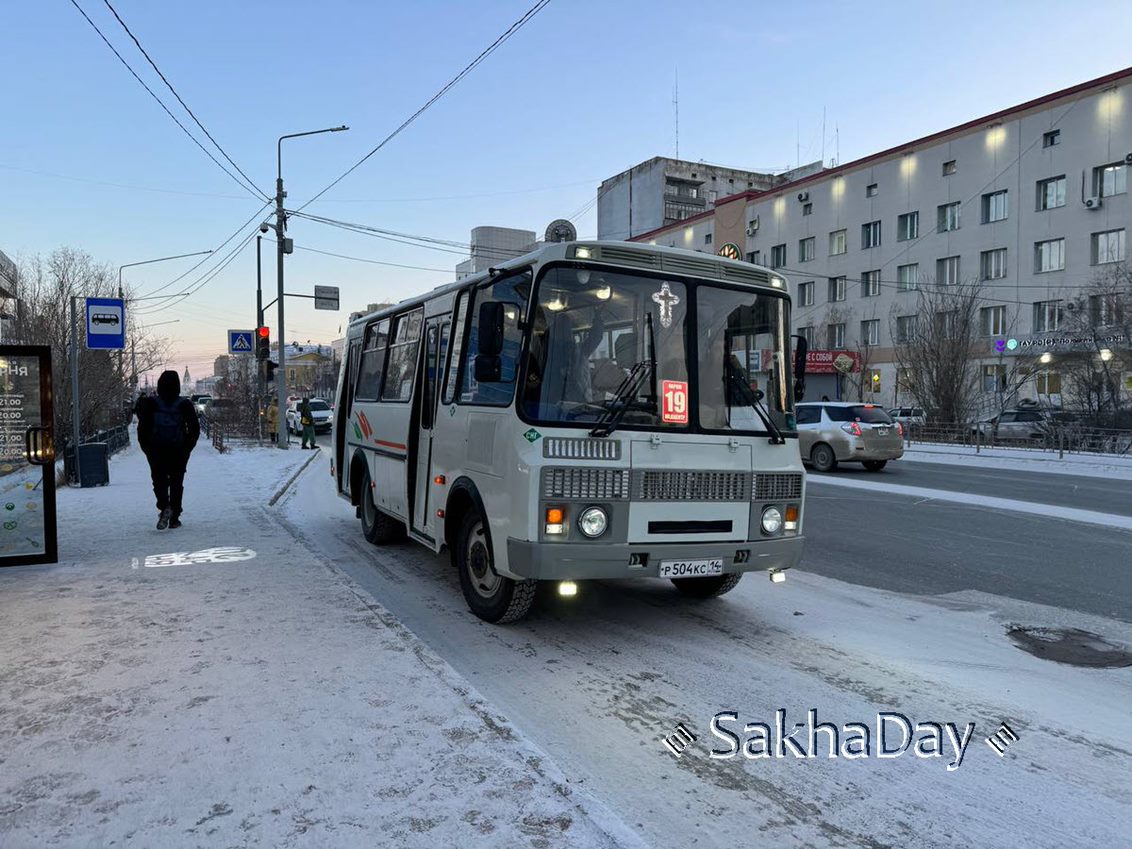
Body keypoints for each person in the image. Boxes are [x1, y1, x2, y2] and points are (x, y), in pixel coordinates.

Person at [136, 370, 199, 529]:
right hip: (178, 451)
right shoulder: (185, 404)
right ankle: (175, 518)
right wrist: (187, 448)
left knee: (159, 481)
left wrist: (147, 448)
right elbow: (194, 429)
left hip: (156, 450)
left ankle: (165, 507)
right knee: (177, 482)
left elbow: (142, 428)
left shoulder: (151, 403)